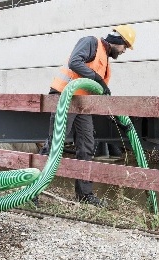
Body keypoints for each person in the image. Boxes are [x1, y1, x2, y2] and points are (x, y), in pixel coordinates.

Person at [39, 24, 136, 207]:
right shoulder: (91, 42)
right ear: (118, 41)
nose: (124, 51)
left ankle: (84, 194)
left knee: (86, 146)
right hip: (65, 97)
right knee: (54, 144)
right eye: (125, 47)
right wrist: (97, 79)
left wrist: (118, 118)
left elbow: (99, 92)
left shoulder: (106, 62)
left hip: (82, 104)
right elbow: (74, 62)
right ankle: (33, 190)